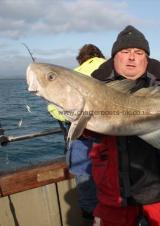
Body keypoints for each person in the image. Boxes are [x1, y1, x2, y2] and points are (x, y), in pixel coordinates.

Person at [89, 25, 160, 226]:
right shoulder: (95, 86)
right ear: (114, 58)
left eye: (138, 53)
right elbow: (84, 133)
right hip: (115, 193)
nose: (132, 57)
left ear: (146, 59)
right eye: (125, 52)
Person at [47, 44, 106, 222]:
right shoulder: (111, 68)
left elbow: (55, 108)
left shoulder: (72, 74)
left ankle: (92, 217)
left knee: (86, 181)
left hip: (83, 141)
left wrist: (64, 114)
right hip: (109, 140)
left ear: (81, 59)